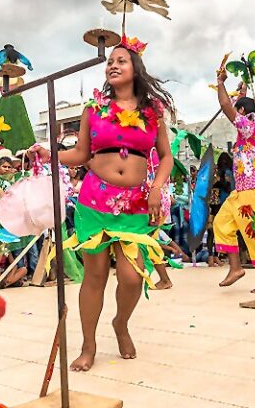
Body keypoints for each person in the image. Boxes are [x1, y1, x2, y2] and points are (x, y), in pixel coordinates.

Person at [31, 35, 174, 372]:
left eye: (121, 60)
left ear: (136, 68)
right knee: (94, 276)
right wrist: (50, 154)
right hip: (95, 200)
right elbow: (81, 155)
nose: (113, 65)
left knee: (131, 277)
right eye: (110, 61)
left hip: (136, 204)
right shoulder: (93, 110)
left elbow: (166, 157)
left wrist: (156, 187)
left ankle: (121, 323)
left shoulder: (153, 112)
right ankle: (88, 345)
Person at [213, 72, 255, 293]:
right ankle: (236, 268)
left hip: (253, 189)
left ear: (241, 112)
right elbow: (235, 105)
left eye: (237, 108)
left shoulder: (248, 125)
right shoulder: (249, 127)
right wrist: (242, 92)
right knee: (222, 223)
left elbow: (224, 104)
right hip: (242, 190)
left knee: (252, 232)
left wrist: (220, 83)